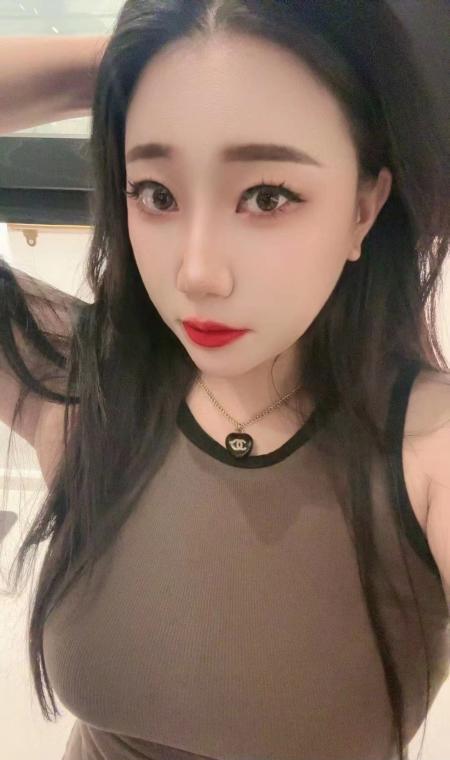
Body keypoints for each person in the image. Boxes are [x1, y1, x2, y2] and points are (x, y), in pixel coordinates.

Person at [0, 2, 449, 759]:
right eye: (157, 193)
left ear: (363, 208)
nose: (198, 273)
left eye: (267, 196)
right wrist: (119, 67)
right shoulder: (85, 388)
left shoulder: (429, 450)